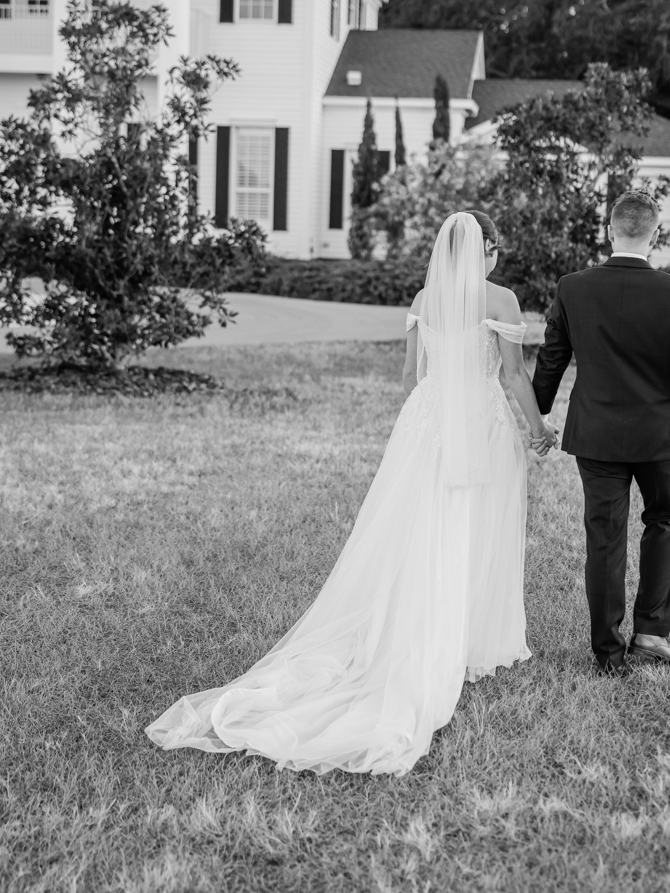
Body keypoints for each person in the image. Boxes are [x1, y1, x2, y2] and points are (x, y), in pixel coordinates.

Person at [146, 211, 557, 774]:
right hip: (480, 422)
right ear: (484, 248)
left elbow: (412, 375)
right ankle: (468, 639)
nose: (496, 256)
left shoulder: (425, 298)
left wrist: (432, 420)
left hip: (428, 424)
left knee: (424, 527)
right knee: (476, 523)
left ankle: (423, 627)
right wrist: (538, 428)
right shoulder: (501, 300)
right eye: (495, 247)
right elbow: (511, 376)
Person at [532, 190, 670, 675]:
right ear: (656, 234)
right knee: (663, 522)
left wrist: (539, 413)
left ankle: (608, 654)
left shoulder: (573, 287)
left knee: (605, 539)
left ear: (610, 230)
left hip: (597, 434)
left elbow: (551, 360)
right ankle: (651, 633)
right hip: (661, 435)